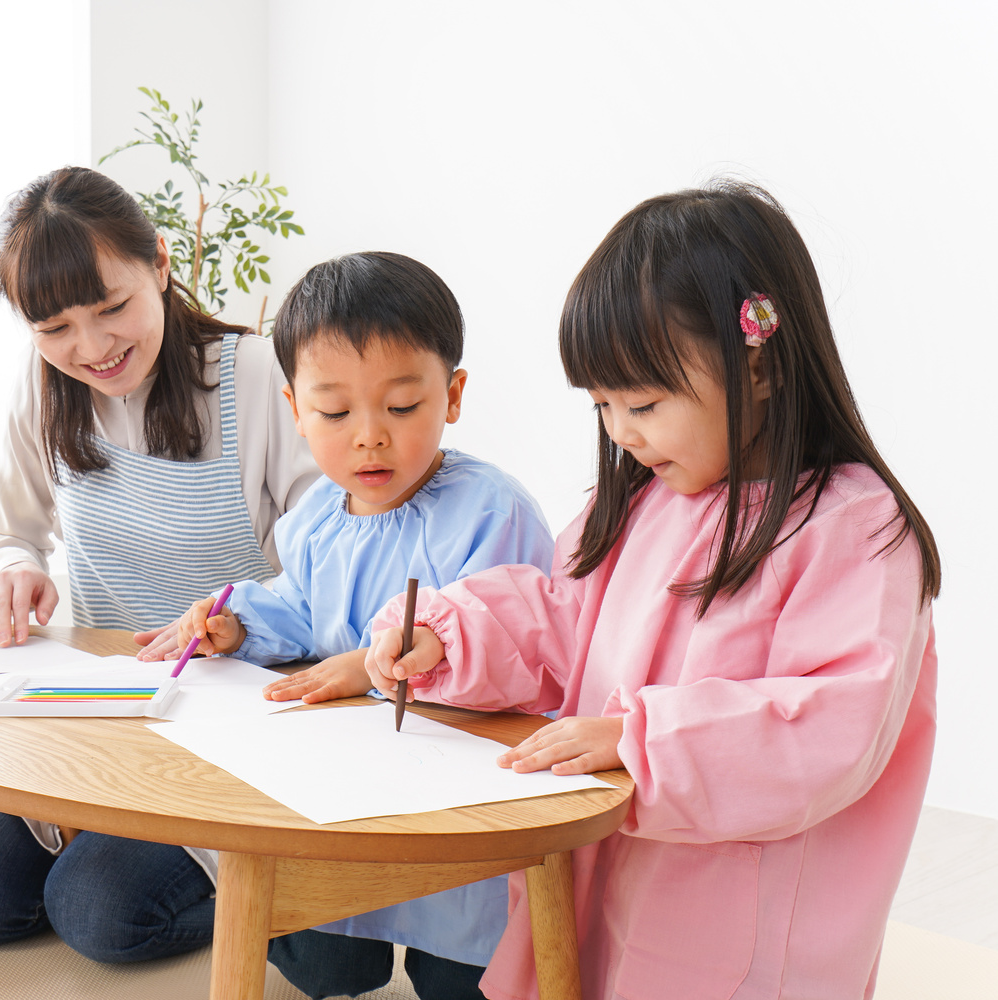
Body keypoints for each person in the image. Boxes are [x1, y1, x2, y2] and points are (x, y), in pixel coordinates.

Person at [365, 182, 940, 1000]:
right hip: (615, 869)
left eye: (642, 402)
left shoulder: (852, 526)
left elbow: (826, 727)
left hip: (741, 917)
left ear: (762, 366)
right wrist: (450, 637)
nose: (621, 432)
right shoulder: (637, 502)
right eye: (602, 404)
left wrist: (641, 743)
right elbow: (563, 618)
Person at [0, 166, 319, 963]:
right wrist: (12, 567)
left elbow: (328, 569)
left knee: (101, 914)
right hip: (105, 705)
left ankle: (296, 899)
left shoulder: (256, 374)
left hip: (236, 710)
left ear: (162, 266)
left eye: (113, 308)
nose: (92, 348)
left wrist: (235, 621)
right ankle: (105, 837)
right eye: (55, 327)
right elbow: (10, 531)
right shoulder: (45, 389)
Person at [165, 251, 553, 998]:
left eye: (402, 407)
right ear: (295, 410)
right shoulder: (315, 515)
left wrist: (368, 666)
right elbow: (301, 610)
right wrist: (239, 625)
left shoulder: (490, 513)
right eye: (336, 413)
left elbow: (513, 652)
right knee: (323, 948)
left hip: (454, 800)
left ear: (454, 394)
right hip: (344, 788)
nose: (369, 436)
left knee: (464, 966)